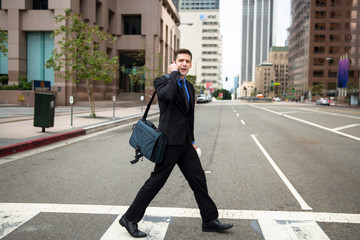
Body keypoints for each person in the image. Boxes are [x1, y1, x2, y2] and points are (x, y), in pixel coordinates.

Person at [119, 49, 233, 238]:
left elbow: (189, 116)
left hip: (186, 144)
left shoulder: (189, 86)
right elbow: (168, 96)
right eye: (181, 61)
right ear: (174, 62)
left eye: (187, 61)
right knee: (156, 182)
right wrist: (173, 74)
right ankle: (129, 218)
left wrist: (193, 141)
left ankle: (209, 220)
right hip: (169, 143)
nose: (184, 64)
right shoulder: (162, 81)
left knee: (198, 180)